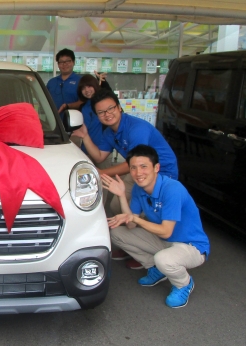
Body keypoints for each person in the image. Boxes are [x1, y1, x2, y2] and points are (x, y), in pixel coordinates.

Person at [103, 145, 210, 308]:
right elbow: (131, 224)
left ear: (156, 168)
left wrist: (135, 219)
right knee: (117, 233)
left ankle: (183, 284)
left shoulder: (172, 189)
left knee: (164, 259)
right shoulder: (139, 189)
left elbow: (166, 231)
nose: (138, 173)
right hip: (165, 241)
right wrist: (122, 196)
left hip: (191, 246)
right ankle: (157, 269)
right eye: (133, 168)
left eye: (143, 166)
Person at [72, 89, 178, 214]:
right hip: (137, 170)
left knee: (143, 213)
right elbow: (99, 156)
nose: (107, 114)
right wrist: (85, 136)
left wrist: (102, 173)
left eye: (110, 108)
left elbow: (135, 163)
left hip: (160, 172)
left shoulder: (137, 128)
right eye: (101, 112)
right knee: (116, 206)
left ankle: (142, 222)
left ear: (119, 107)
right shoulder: (109, 132)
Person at [77, 73, 112, 168]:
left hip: (103, 150)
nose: (86, 90)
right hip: (86, 150)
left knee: (104, 176)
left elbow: (110, 95)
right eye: (83, 88)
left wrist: (103, 82)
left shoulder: (103, 104)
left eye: (89, 86)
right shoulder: (83, 107)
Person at [46, 48, 83, 118]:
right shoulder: (51, 82)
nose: (64, 64)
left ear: (73, 62)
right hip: (53, 121)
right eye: (61, 62)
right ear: (58, 64)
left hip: (74, 121)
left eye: (68, 61)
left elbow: (85, 102)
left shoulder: (81, 81)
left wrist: (68, 106)